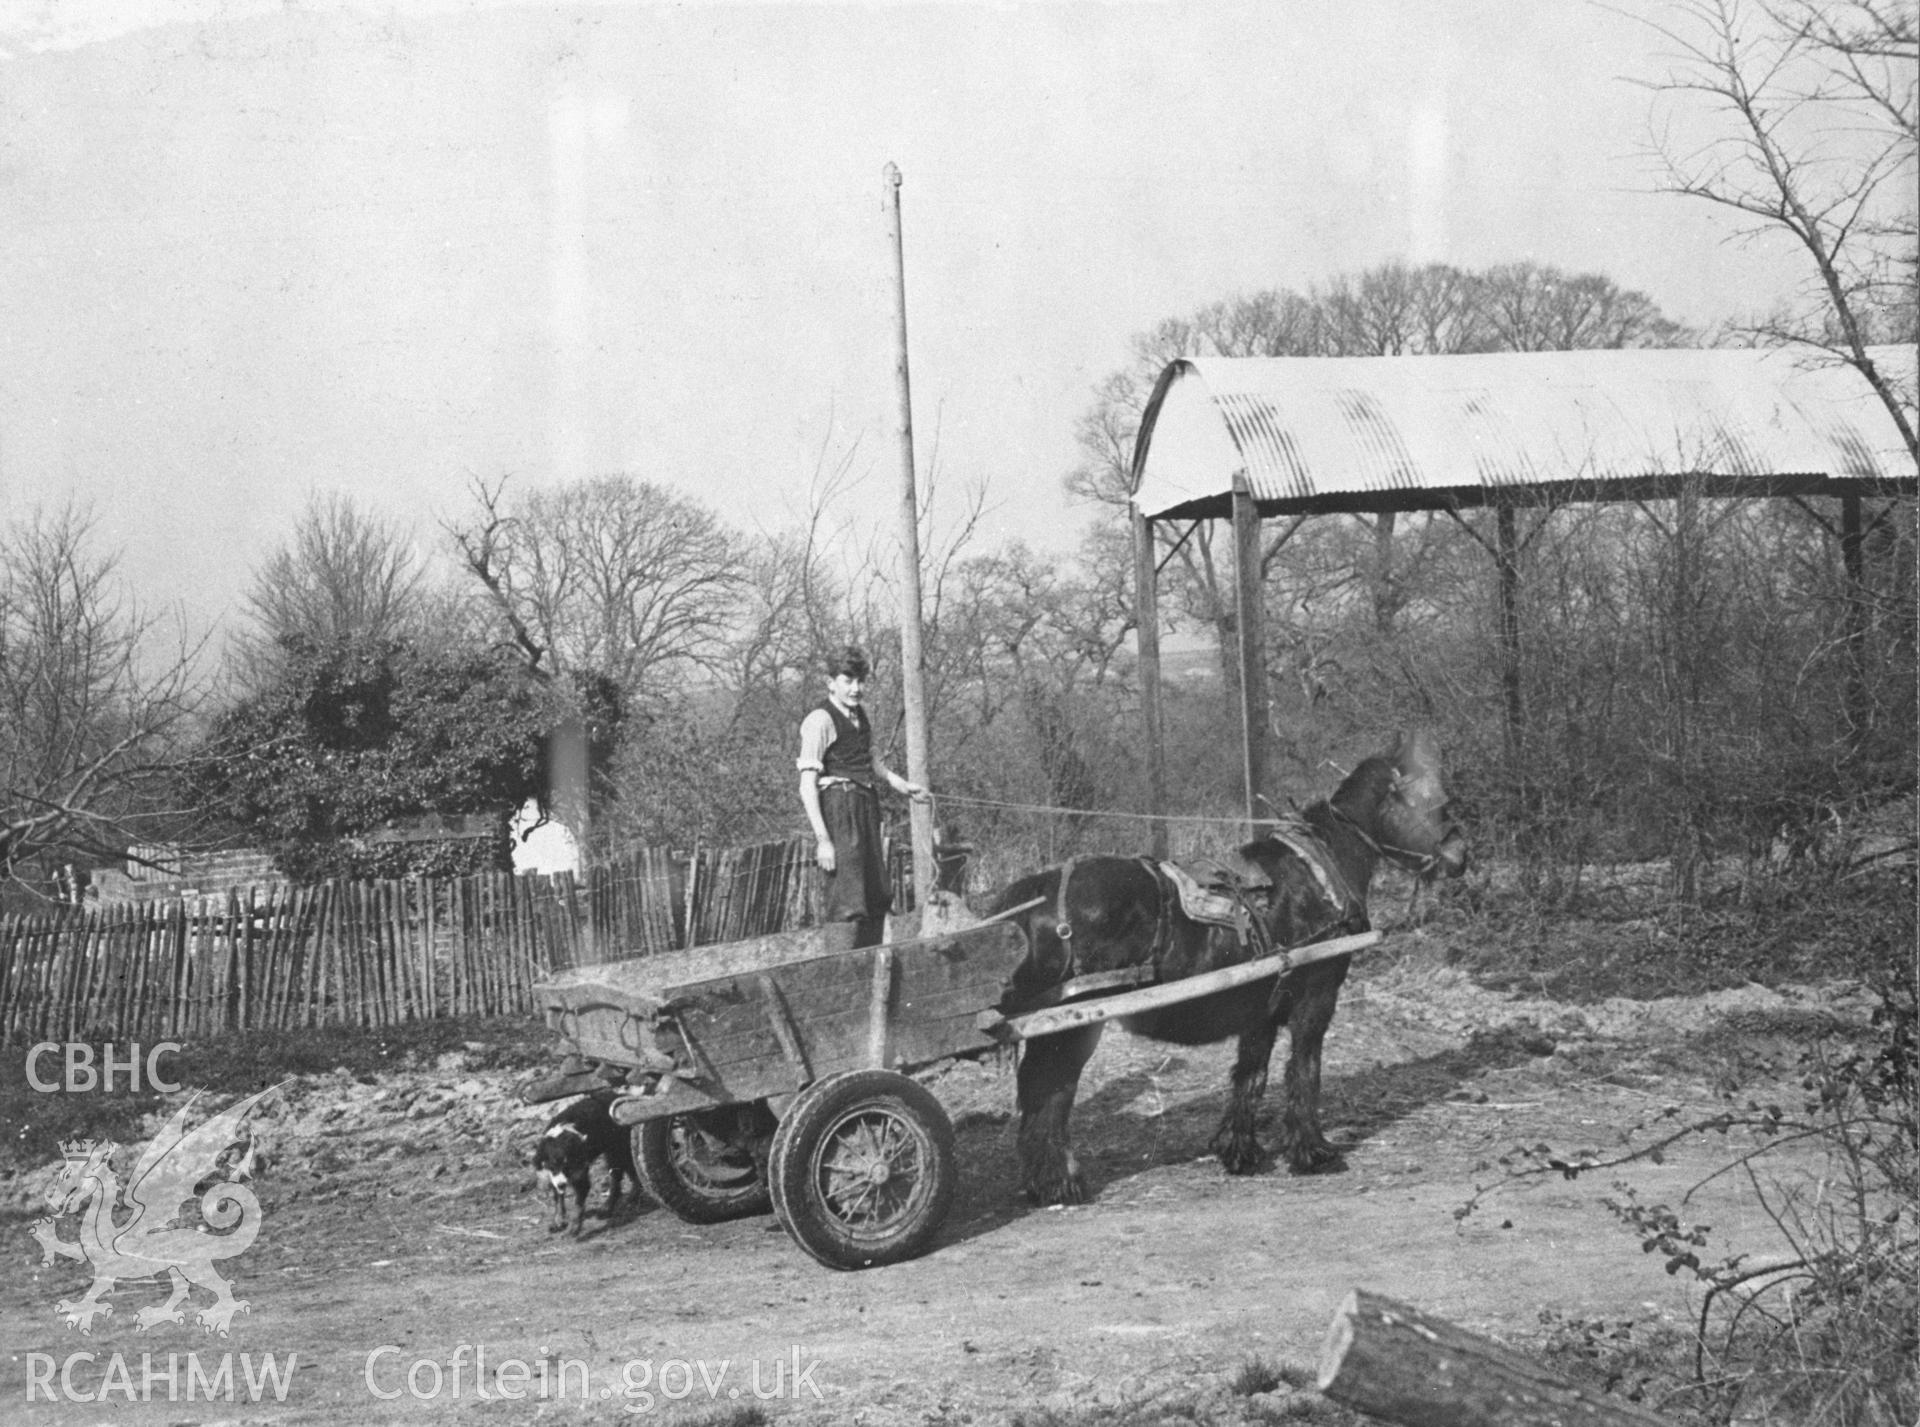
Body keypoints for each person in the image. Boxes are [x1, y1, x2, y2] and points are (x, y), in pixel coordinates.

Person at [796, 646, 929, 948]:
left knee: (876, 894)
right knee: (848, 898)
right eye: (848, 680)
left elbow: (872, 762)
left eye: (861, 681)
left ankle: (872, 968)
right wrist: (823, 840)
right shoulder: (820, 720)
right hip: (840, 810)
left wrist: (902, 785)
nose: (856, 688)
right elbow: (807, 785)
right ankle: (842, 978)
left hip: (865, 806)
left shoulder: (859, 717)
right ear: (831, 682)